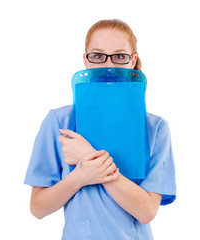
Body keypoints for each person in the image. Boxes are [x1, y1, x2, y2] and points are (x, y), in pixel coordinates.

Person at [24, 19, 176, 239]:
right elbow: (38, 208)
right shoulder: (59, 122)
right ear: (85, 61)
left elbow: (146, 211)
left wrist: (88, 157)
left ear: (133, 61)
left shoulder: (156, 128)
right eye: (98, 56)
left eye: (119, 56)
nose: (108, 66)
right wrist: (81, 176)